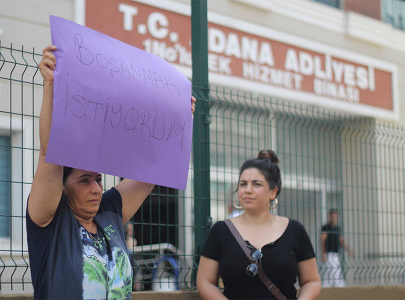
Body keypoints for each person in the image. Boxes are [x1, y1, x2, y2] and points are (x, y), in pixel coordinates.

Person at [26, 45, 195, 299]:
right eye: (84, 180)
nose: (96, 188)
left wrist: (179, 117)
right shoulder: (50, 221)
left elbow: (153, 169)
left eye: (97, 179)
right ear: (61, 185)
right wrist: (50, 85)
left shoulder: (108, 214)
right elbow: (48, 153)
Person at [197, 150, 321, 300]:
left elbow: (311, 281)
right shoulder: (221, 231)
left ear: (273, 192)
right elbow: (205, 282)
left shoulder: (295, 230)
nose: (247, 190)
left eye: (256, 184)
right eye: (243, 184)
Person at [321, 208, 353, 287]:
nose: (334, 218)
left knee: (329, 274)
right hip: (329, 254)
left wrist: (349, 250)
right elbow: (322, 240)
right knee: (335, 273)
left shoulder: (337, 228)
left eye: (335, 216)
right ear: (329, 216)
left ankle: (325, 288)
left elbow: (341, 240)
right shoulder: (326, 227)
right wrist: (323, 254)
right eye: (333, 216)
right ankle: (341, 286)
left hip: (336, 254)